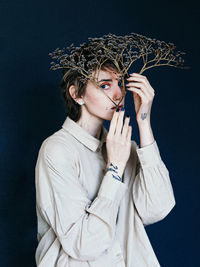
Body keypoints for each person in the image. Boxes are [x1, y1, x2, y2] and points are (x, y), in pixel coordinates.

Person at [35, 33, 177, 266]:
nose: (118, 93)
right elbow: (84, 244)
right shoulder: (57, 150)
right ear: (77, 94)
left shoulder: (124, 146)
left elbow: (157, 209)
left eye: (119, 82)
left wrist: (144, 123)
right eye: (104, 85)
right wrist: (115, 168)